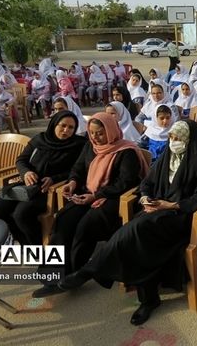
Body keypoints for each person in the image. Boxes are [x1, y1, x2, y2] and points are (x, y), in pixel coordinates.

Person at [57, 120, 197, 326]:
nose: (173, 142)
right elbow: (147, 183)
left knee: (136, 230)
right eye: (171, 137)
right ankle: (147, 299)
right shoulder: (166, 159)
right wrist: (144, 198)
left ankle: (91, 270)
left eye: (178, 139)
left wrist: (171, 205)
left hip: (183, 218)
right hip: (156, 213)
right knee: (136, 235)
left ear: (189, 141)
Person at [33, 112, 149, 298]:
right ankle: (52, 274)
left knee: (86, 225)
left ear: (111, 131)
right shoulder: (91, 146)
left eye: (100, 133)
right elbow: (78, 169)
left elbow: (124, 183)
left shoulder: (127, 151)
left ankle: (73, 275)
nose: (95, 137)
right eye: (92, 133)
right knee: (64, 219)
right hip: (88, 193)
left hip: (113, 198)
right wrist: (72, 182)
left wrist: (96, 195)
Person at [0, 111, 87, 245]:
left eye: (71, 127)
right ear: (54, 124)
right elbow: (21, 159)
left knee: (21, 214)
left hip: (49, 190)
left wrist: (54, 179)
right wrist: (26, 172)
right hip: (27, 185)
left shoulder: (79, 145)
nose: (66, 130)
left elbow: (77, 170)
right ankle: (23, 241)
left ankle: (36, 246)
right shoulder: (40, 139)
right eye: (63, 125)